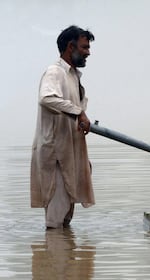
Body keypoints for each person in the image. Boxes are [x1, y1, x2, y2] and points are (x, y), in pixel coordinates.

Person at [30, 25, 95, 229]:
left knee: (66, 217)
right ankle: (54, 256)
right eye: (84, 47)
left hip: (72, 151)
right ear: (70, 46)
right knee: (55, 220)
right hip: (56, 154)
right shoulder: (55, 72)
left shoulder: (74, 76)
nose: (88, 52)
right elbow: (47, 98)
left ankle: (66, 257)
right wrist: (78, 112)